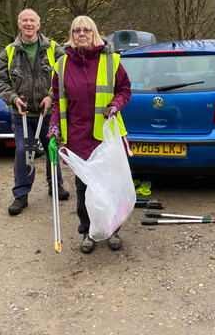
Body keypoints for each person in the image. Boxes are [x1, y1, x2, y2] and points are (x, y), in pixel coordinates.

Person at [48, 15, 132, 253]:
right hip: (77, 136)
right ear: (71, 36)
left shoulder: (112, 60)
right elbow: (57, 101)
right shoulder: (61, 65)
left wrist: (115, 105)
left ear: (94, 33)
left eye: (86, 30)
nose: (81, 34)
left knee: (109, 185)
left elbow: (125, 90)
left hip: (105, 136)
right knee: (84, 186)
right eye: (76, 31)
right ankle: (87, 231)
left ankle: (112, 229)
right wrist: (54, 126)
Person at [0, 8, 69, 216]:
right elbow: (0, 81)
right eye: (24, 20)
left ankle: (56, 185)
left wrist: (51, 97)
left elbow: (66, 77)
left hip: (49, 114)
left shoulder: (54, 49)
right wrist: (14, 98)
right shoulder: (9, 52)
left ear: (38, 24)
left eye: (32, 20)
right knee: (21, 153)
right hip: (23, 115)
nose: (28, 24)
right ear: (19, 25)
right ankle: (21, 194)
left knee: (52, 150)